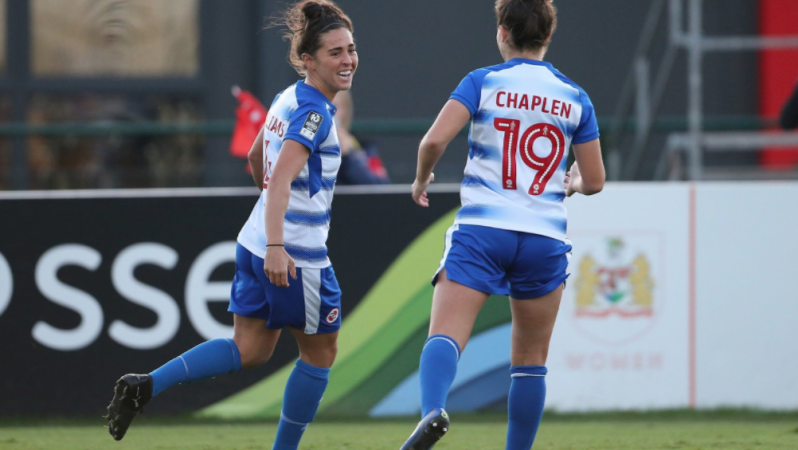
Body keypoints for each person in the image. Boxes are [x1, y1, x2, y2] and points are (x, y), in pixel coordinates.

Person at [104, 2, 357, 449]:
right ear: (309, 59)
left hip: (253, 242)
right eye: (335, 52)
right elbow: (277, 177)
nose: (347, 60)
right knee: (321, 353)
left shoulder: (287, 96)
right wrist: (279, 244)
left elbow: (256, 158)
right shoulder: (315, 114)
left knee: (250, 349)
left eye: (351, 50)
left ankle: (147, 384)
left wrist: (268, 231)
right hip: (294, 253)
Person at [400, 1, 604, 449]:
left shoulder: (483, 82)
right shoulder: (575, 96)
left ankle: (433, 410)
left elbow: (434, 139)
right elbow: (596, 180)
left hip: (484, 229)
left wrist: (420, 179)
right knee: (530, 361)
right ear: (548, 36)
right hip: (544, 238)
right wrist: (570, 184)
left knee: (446, 335)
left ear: (502, 32)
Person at [332, 90, 391, 184]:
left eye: (335, 106)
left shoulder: (361, 146)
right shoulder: (304, 145)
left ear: (345, 110)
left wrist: (348, 156)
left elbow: (381, 187)